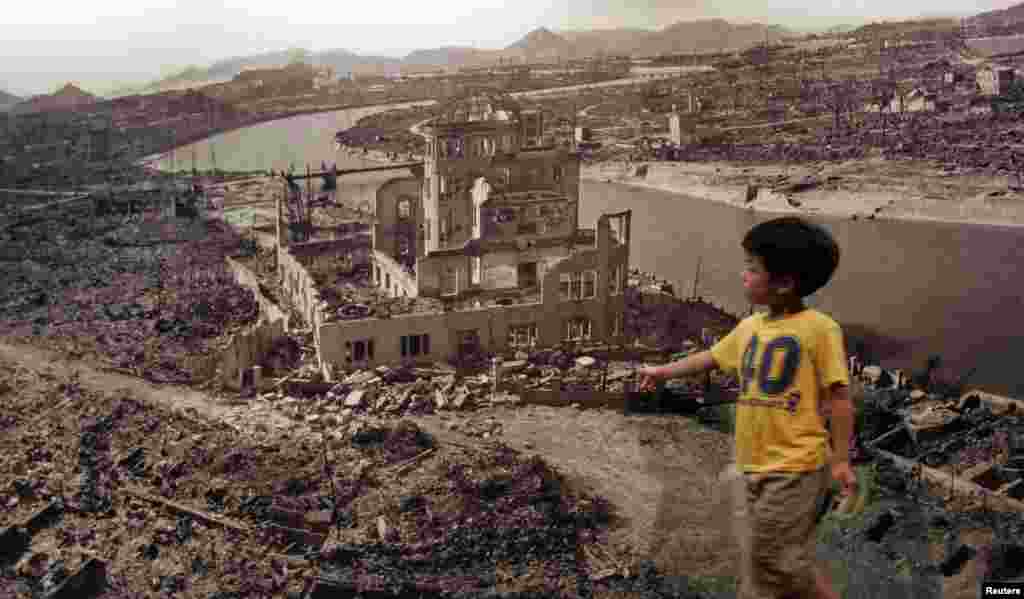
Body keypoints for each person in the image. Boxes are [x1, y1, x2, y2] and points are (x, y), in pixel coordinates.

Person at [638, 216, 857, 599]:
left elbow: (839, 398)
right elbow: (709, 358)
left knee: (774, 560)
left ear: (785, 283)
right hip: (753, 466)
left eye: (752, 269)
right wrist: (660, 372)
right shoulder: (751, 327)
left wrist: (840, 460)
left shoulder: (819, 329)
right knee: (774, 560)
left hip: (796, 467)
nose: (743, 275)